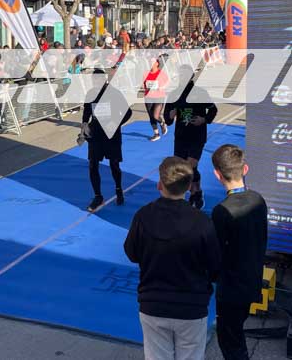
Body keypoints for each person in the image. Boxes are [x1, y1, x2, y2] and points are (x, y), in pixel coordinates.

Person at [124, 157, 221, 360]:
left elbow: (132, 253)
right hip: (192, 306)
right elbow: (215, 266)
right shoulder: (202, 222)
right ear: (189, 187)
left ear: (160, 184)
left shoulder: (143, 216)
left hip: (153, 303)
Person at [210, 144, 268, 360]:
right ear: (245, 169)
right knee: (236, 332)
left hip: (231, 289)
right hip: (252, 280)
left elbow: (215, 254)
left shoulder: (222, 211)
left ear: (217, 175)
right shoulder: (258, 200)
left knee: (230, 340)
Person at [165, 67, 218, 210]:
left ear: (191, 77)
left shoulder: (200, 93)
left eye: (186, 75)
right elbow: (167, 119)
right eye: (181, 75)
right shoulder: (173, 94)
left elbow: (213, 109)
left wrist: (204, 119)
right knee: (182, 169)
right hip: (181, 137)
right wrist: (170, 115)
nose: (182, 78)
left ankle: (194, 193)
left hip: (197, 136)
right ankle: (195, 192)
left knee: (190, 166)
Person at [82, 70, 132, 212]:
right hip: (95, 134)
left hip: (111, 134)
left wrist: (115, 123)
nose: (96, 82)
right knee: (93, 164)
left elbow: (128, 113)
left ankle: (119, 189)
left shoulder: (114, 93)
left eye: (98, 79)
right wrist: (84, 125)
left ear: (104, 79)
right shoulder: (90, 93)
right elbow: (86, 112)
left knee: (114, 164)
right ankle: (98, 196)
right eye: (94, 80)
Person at [143, 57, 169, 141]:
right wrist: (146, 87)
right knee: (151, 116)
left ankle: (162, 123)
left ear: (157, 63)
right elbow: (144, 84)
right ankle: (156, 134)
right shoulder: (146, 73)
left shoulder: (161, 73)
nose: (151, 63)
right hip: (148, 97)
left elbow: (168, 82)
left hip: (159, 96)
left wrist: (162, 87)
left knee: (155, 115)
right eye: (150, 62)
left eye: (153, 62)